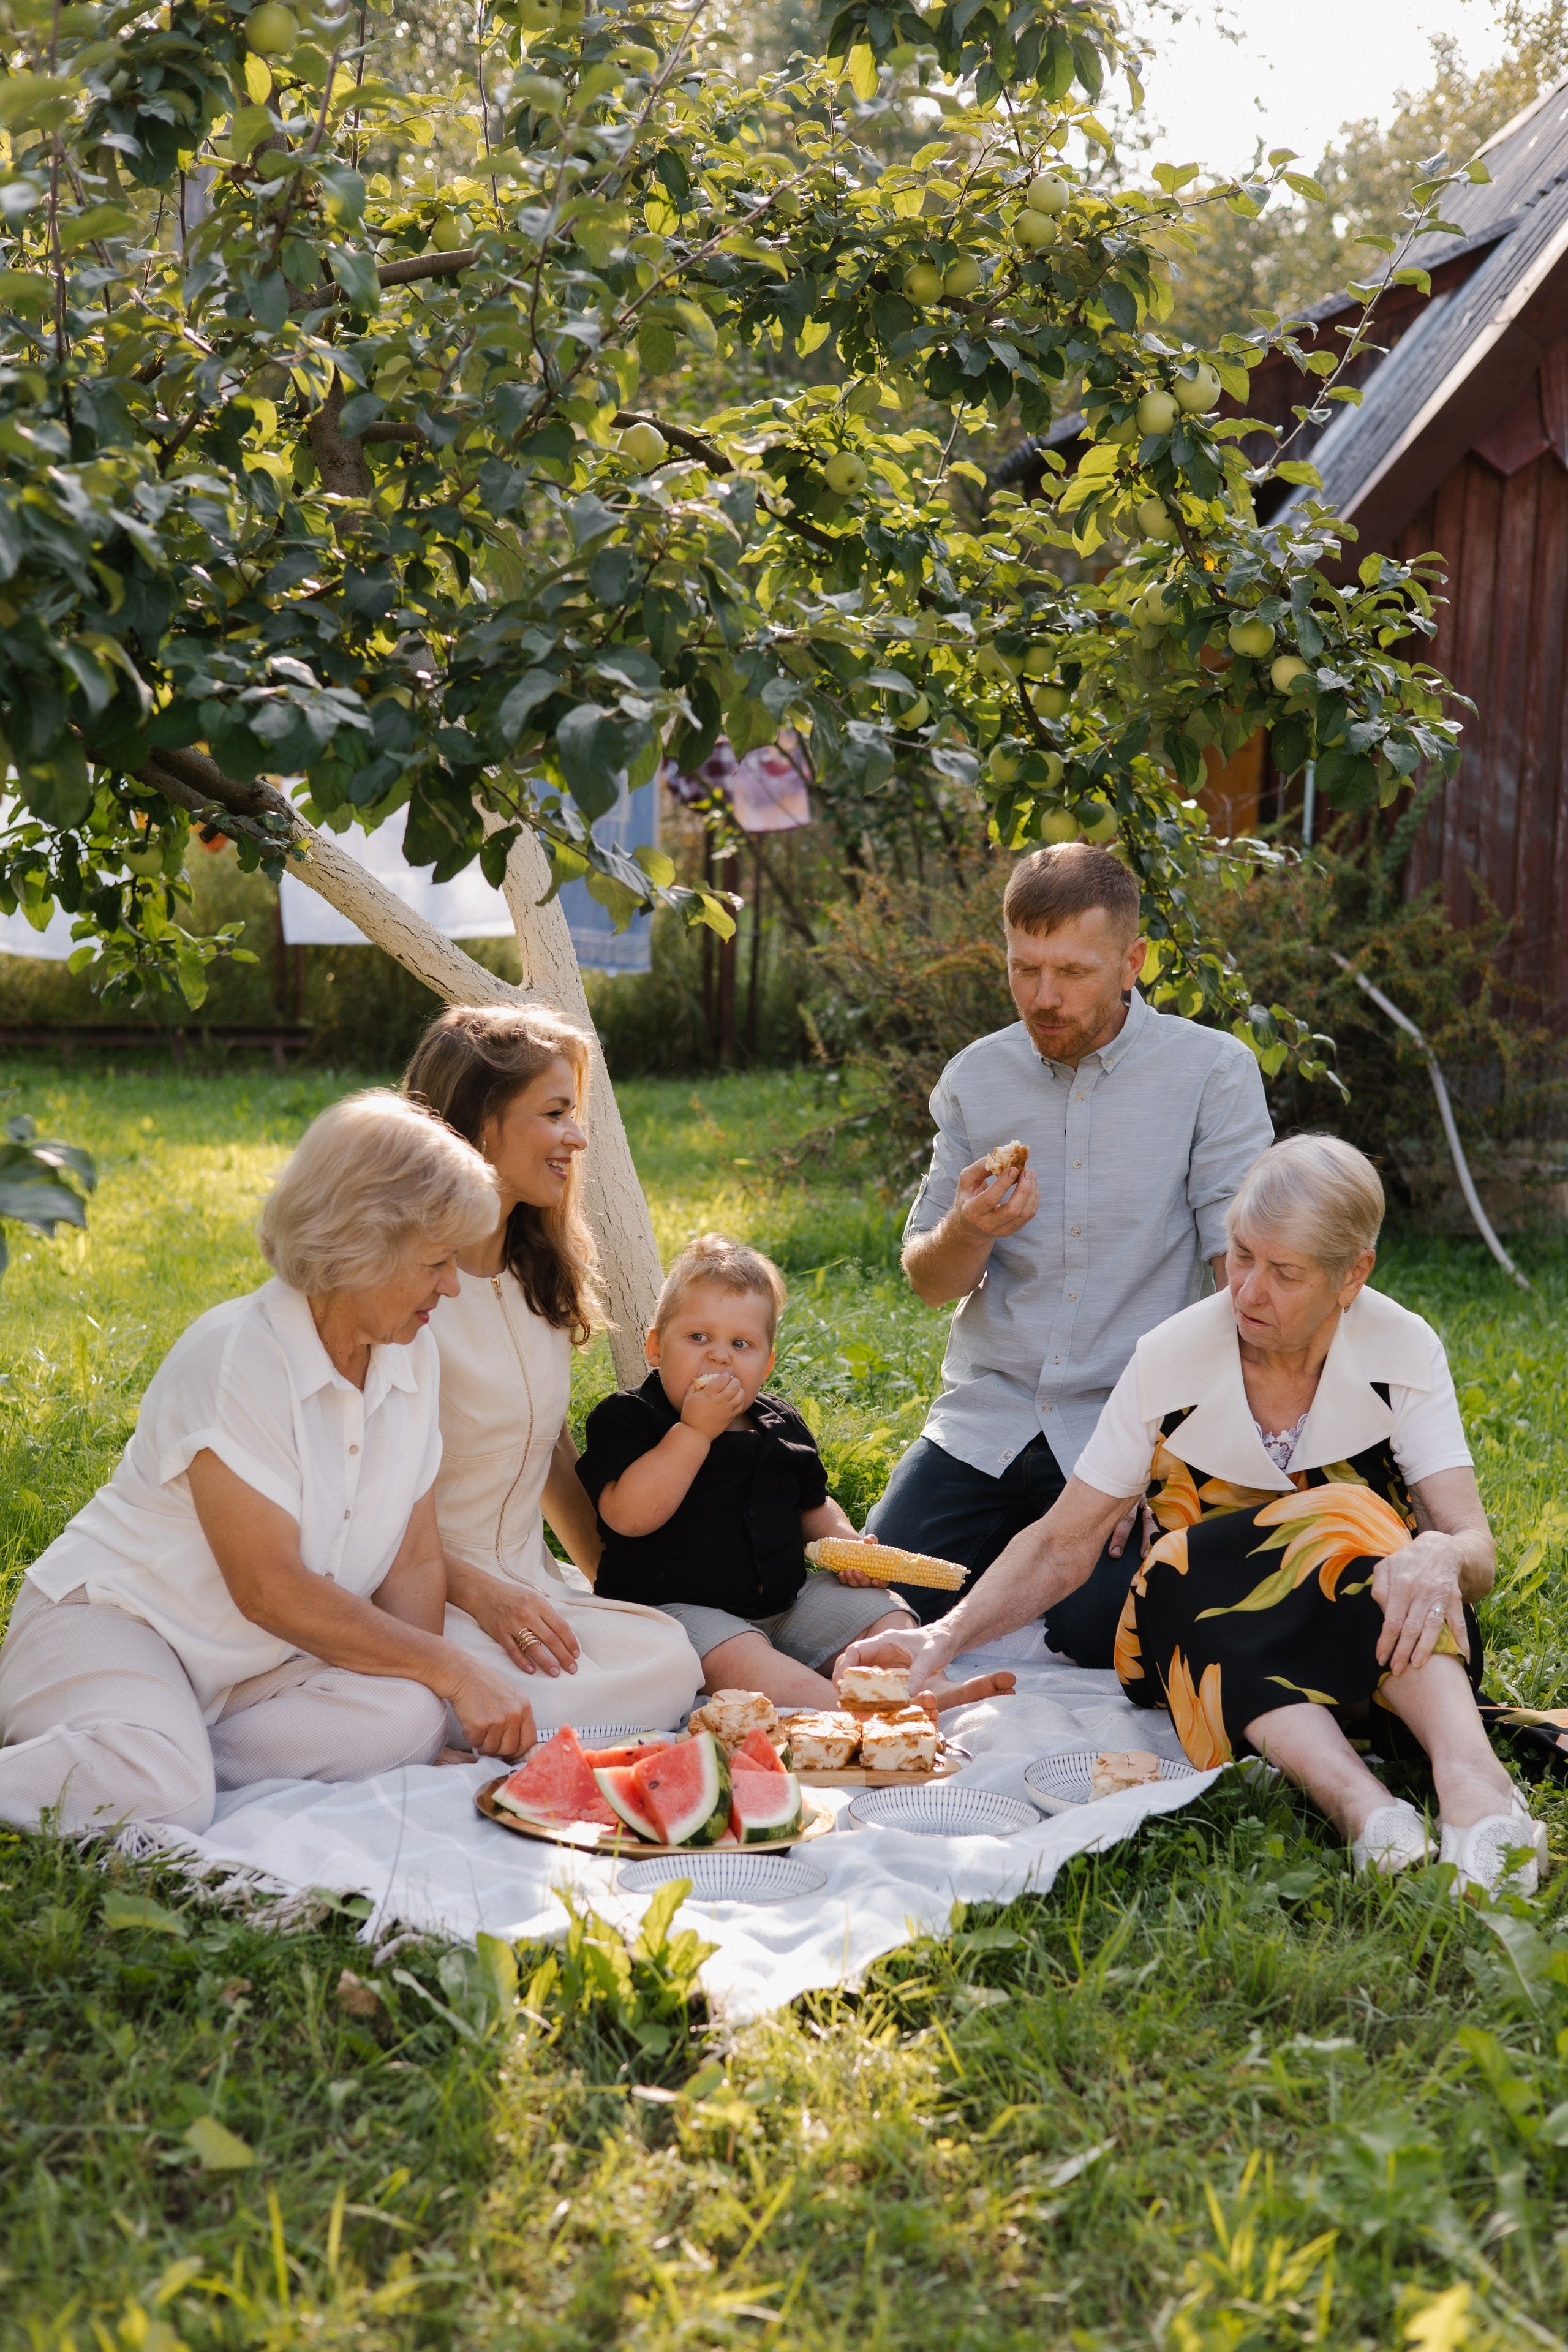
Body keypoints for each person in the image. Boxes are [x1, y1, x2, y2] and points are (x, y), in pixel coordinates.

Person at [841, 1136, 1546, 1894]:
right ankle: (1358, 1803)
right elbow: (1063, 1541)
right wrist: (940, 1639)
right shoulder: (1171, 1355)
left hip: (1374, 1653)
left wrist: (1438, 1555)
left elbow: (1473, 1546)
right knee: (1178, 1566)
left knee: (1354, 1518)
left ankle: (1469, 1780)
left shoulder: (1402, 1348)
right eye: (1241, 1255)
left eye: (1285, 1274)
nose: (1248, 1292)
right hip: (1210, 1655)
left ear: (1353, 1275)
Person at [0, 1093, 540, 1838]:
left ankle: (148, 1756)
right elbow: (268, 1589)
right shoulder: (235, 1354)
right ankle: (142, 1760)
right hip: (121, 1621)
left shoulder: (410, 1358)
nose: (451, 1288)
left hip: (255, 1672)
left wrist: (436, 1698)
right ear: (363, 1247)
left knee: (410, 1717)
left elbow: (412, 1562)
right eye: (437, 1263)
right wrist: (454, 1668)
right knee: (168, 1788)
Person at [865, 841, 1273, 1664]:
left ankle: (1044, 1562)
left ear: (1133, 962)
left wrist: (1176, 1457)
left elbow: (1246, 1286)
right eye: (1024, 969)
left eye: (1073, 973)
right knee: (876, 1598)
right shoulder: (977, 1080)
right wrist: (970, 1230)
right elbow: (928, 1282)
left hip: (1129, 1425)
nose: (1043, 999)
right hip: (990, 1417)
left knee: (1093, 1632)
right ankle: (1016, 1554)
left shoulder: (1213, 1074)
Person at [402, 1005, 703, 1733]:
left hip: (529, 1583)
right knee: (577, 1702)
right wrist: (476, 1595)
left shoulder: (534, 1269)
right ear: (478, 1124)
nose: (577, 1135)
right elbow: (359, 1501)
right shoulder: (405, 1291)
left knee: (672, 1655)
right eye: (555, 1112)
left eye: (575, 1110)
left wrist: (613, 1585)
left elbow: (548, 1450)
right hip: (425, 1590)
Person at [575, 1234, 1015, 1714]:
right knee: (741, 1656)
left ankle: (926, 1682)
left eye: (740, 1344)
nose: (719, 1356)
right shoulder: (630, 1418)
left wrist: (844, 1542)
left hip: (787, 1605)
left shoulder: (780, 1423)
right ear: (656, 1347)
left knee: (883, 1611)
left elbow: (812, 1504)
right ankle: (847, 1710)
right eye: (698, 1338)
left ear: (765, 1366)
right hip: (679, 1614)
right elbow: (629, 1516)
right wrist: (694, 1434)